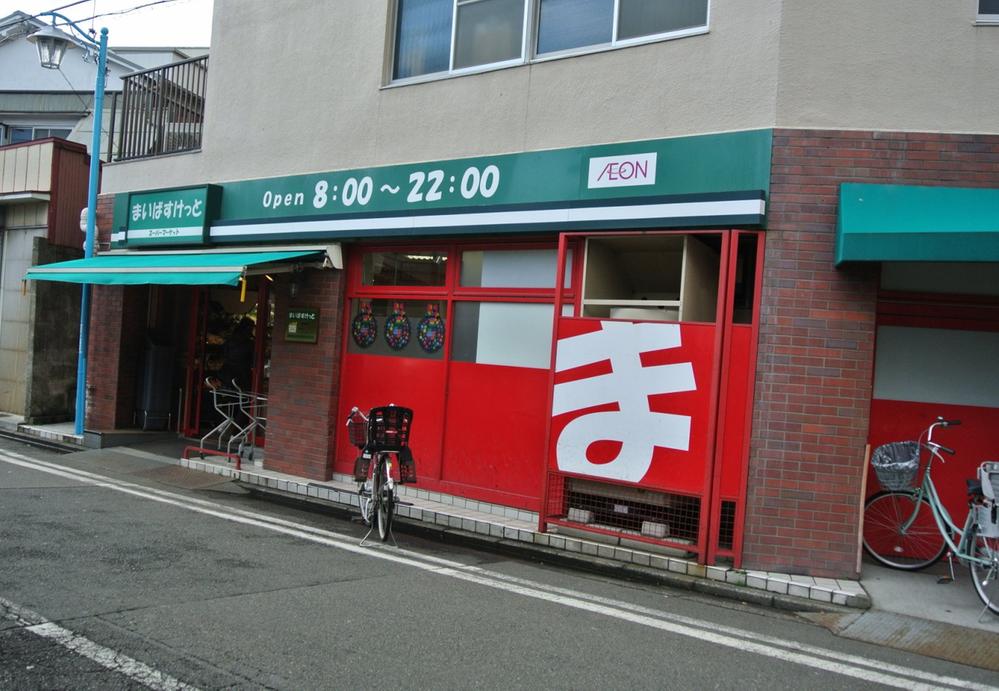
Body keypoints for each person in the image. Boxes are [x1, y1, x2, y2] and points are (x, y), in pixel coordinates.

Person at [221, 317, 255, 390]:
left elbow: (224, 354)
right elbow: (253, 360)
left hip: (228, 372)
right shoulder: (249, 343)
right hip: (242, 374)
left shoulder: (230, 339)